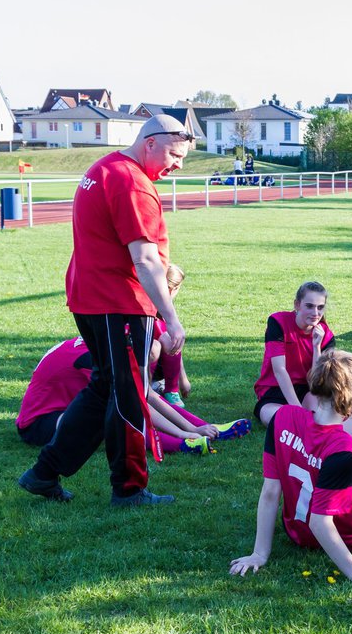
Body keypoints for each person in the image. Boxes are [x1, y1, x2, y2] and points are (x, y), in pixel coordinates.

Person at [17, 113, 193, 506]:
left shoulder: (104, 168)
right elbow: (146, 260)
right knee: (128, 394)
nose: (177, 164)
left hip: (92, 299)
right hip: (119, 304)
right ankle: (129, 489)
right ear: (150, 143)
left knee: (103, 388)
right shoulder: (132, 183)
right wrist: (171, 317)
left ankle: (44, 473)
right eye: (173, 155)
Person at [230, 351, 352, 592]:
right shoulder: (342, 448)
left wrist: (260, 553)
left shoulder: (282, 417)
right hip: (351, 534)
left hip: (297, 531)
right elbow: (320, 523)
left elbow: (271, 491)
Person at [17, 337, 249, 456]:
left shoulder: (103, 346)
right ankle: (183, 444)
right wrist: (182, 433)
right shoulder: (96, 360)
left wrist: (196, 425)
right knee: (119, 413)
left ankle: (207, 429)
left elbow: (148, 395)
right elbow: (137, 404)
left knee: (129, 401)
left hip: (63, 412)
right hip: (39, 425)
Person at [252, 281, 352, 450]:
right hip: (274, 391)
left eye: (320, 307)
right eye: (309, 306)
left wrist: (316, 347)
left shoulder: (325, 335)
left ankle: (346, 416)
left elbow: (319, 381)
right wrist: (297, 410)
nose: (315, 313)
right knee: (276, 420)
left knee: (320, 420)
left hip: (308, 389)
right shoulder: (278, 322)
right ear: (297, 304)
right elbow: (279, 370)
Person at [150, 263, 191, 407]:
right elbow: (170, 343)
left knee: (172, 340)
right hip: (141, 362)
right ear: (173, 289)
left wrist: (183, 379)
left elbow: (176, 346)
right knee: (169, 341)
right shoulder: (149, 307)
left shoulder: (167, 311)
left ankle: (164, 389)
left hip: (153, 364)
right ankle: (165, 390)